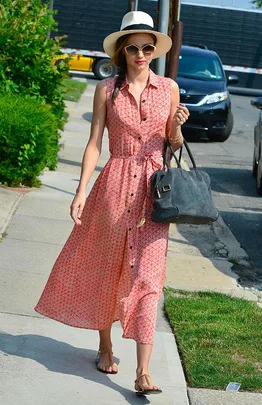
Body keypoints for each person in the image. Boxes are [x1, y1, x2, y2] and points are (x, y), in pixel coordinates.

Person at [35, 11, 189, 396]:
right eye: (133, 47)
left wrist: (179, 127)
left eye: (147, 47)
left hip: (154, 194)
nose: (141, 54)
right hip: (113, 187)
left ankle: (143, 372)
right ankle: (104, 345)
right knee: (107, 269)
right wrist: (81, 191)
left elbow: (173, 143)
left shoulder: (168, 88)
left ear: (154, 51)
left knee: (148, 278)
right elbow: (93, 144)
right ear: (122, 50)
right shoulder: (107, 89)